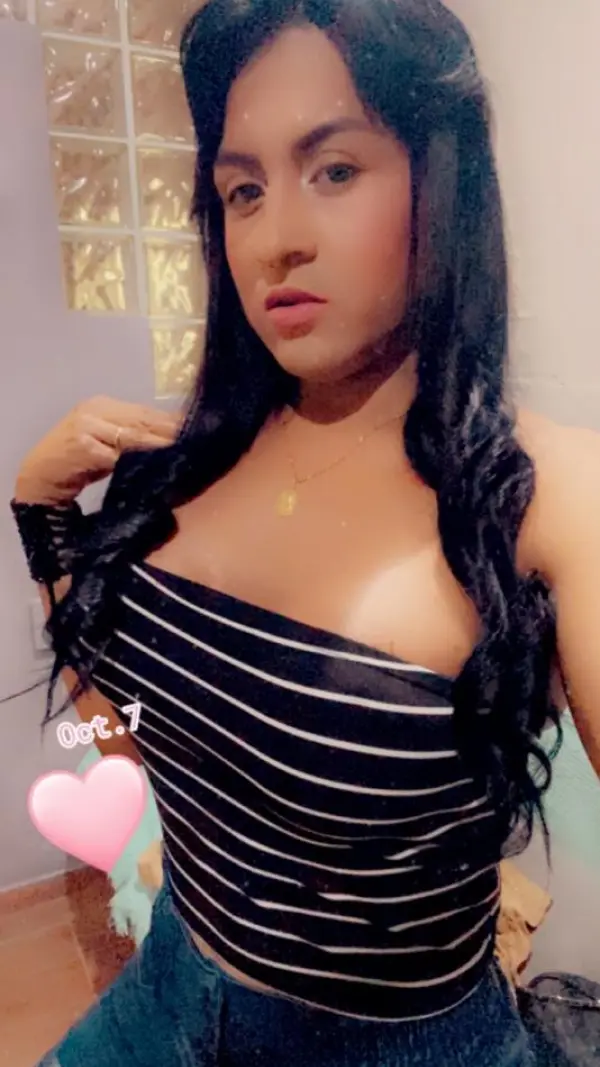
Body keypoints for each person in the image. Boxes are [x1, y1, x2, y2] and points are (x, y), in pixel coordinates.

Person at [10, 0, 600, 1063]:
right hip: (169, 997)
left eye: (334, 169)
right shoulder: (183, 460)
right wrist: (44, 523)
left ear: (441, 182)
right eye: (243, 189)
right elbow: (125, 734)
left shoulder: (549, 494)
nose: (277, 237)